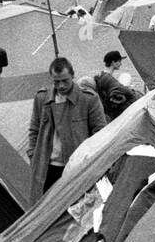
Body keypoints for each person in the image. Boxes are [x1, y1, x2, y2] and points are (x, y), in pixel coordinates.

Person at [27, 57, 106, 200]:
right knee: (44, 210)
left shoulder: (88, 99)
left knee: (74, 211)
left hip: (76, 168)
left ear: (73, 75)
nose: (61, 86)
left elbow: (101, 134)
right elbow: (34, 130)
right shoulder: (42, 98)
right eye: (56, 82)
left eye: (65, 80)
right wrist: (33, 155)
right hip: (46, 168)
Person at [95, 50, 140, 121]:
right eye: (119, 61)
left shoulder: (102, 76)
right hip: (113, 113)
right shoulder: (107, 78)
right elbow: (124, 90)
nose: (121, 64)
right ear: (113, 62)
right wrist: (131, 91)